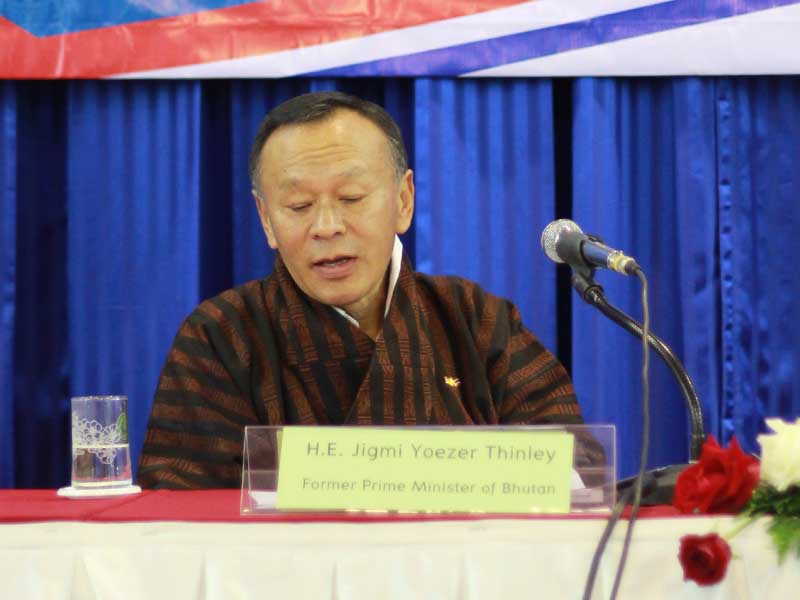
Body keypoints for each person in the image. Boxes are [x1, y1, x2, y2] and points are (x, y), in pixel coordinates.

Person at [137, 91, 585, 489]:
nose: (327, 226)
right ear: (266, 219)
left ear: (404, 200)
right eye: (299, 205)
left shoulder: (476, 321)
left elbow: (569, 477)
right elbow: (178, 519)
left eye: (351, 197)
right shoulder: (220, 338)